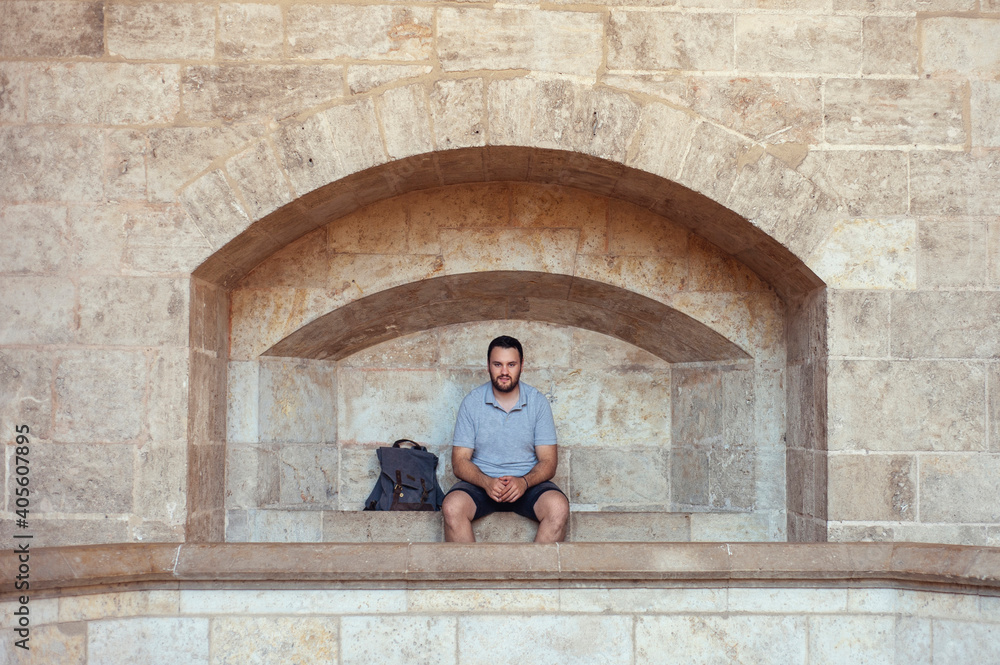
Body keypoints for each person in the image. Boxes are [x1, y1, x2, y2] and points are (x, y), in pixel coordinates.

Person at [442, 335, 570, 543]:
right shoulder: (472, 402)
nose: (504, 372)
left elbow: (549, 461)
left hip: (526, 483)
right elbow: (459, 462)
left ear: (521, 366)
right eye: (497, 364)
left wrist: (524, 482)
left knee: (558, 507)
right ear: (488, 366)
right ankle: (470, 576)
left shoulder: (538, 403)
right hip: (482, 484)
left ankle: (534, 576)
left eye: (511, 364)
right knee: (452, 506)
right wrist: (486, 482)